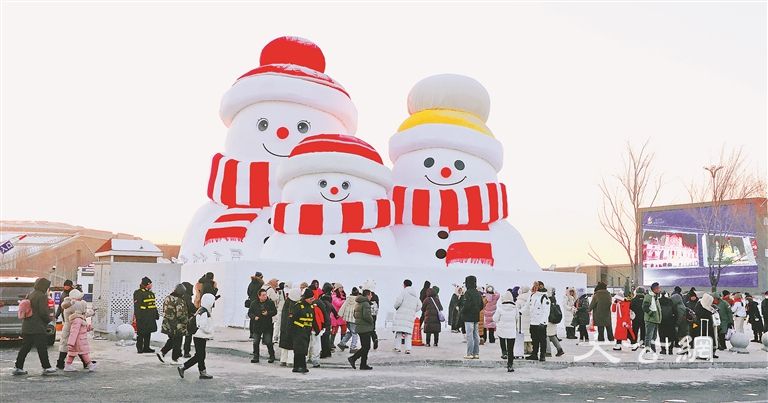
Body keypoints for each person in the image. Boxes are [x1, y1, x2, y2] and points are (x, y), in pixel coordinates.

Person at [13, 278, 56, 376]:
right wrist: (48, 320)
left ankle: (18, 367)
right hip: (37, 327)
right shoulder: (42, 296)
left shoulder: (30, 294)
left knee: (25, 347)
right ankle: (46, 367)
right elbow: (43, 312)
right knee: (42, 348)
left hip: (27, 326)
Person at [178, 293, 215, 379]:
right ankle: (184, 367)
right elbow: (202, 325)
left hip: (199, 336)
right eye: (212, 301)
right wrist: (210, 332)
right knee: (200, 355)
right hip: (200, 336)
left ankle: (202, 372)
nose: (213, 304)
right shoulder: (204, 312)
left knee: (200, 355)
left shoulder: (201, 310)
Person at [56, 288, 92, 369]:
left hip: (70, 327)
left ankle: (61, 362)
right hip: (71, 327)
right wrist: (89, 312)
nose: (81, 299)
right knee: (76, 345)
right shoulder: (74, 305)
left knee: (71, 346)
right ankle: (85, 363)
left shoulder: (70, 304)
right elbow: (82, 314)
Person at [157, 284, 189, 365]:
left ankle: (162, 352)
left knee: (172, 340)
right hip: (177, 325)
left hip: (167, 323)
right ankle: (175, 359)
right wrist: (186, 320)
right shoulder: (179, 300)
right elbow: (180, 314)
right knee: (178, 341)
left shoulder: (168, 297)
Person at [63, 300, 97, 372]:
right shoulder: (78, 320)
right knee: (84, 353)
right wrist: (70, 343)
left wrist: (89, 328)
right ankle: (90, 364)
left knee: (72, 353)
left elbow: (82, 329)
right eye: (85, 307)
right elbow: (74, 332)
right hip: (79, 341)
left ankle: (68, 365)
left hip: (77, 341)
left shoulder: (79, 318)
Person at [248, 289, 277, 363]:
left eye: (265, 295)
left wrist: (268, 313)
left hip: (267, 325)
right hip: (257, 325)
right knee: (256, 342)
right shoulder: (254, 303)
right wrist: (254, 317)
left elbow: (274, 312)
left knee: (268, 341)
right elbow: (250, 313)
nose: (265, 296)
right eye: (263, 295)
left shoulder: (270, 303)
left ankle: (272, 356)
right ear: (259, 296)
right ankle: (256, 356)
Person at [348, 289, 374, 370]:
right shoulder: (366, 304)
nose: (371, 296)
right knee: (366, 347)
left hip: (360, 327)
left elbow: (355, 315)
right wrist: (371, 320)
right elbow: (366, 316)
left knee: (365, 347)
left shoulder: (359, 303)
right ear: (367, 295)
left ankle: (363, 364)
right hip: (365, 327)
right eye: (370, 295)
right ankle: (353, 358)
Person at [290, 289, 315, 374]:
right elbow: (292, 319)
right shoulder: (298, 306)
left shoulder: (311, 307)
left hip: (307, 331)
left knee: (303, 348)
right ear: (306, 298)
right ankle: (301, 366)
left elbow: (312, 319)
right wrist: (290, 331)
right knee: (300, 348)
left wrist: (317, 328)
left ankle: (297, 366)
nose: (312, 300)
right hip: (298, 330)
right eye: (311, 299)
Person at [392, 279, 421, 354]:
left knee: (399, 332)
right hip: (409, 316)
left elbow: (398, 302)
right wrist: (413, 310)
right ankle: (408, 349)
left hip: (401, 315)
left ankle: (397, 348)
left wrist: (396, 307)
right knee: (408, 333)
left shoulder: (403, 292)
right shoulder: (415, 294)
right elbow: (420, 305)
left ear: (404, 285)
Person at [493, 290, 518, 371]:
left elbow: (495, 319)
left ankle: (504, 352)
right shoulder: (515, 309)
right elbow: (517, 318)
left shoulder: (500, 308)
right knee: (511, 349)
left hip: (502, 329)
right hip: (511, 331)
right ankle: (510, 365)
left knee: (502, 339)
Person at [134, 277, 159, 354]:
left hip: (150, 317)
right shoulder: (138, 293)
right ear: (147, 284)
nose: (151, 285)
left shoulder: (151, 293)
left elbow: (153, 305)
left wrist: (156, 314)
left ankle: (146, 347)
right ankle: (139, 347)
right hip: (143, 316)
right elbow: (137, 306)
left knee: (148, 332)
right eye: (150, 283)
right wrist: (138, 317)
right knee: (141, 333)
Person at [526, 281, 550, 362]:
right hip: (533, 322)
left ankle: (542, 355)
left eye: (536, 285)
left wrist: (543, 322)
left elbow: (546, 311)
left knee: (542, 340)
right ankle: (534, 354)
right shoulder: (533, 296)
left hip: (541, 323)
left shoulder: (544, 297)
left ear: (541, 286)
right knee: (534, 339)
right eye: (534, 285)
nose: (534, 287)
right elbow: (528, 306)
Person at [460, 276, 483, 359]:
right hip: (476, 316)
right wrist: (476, 310)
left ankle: (469, 353)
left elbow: (466, 305)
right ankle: (476, 353)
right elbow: (481, 305)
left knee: (469, 335)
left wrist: (462, 311)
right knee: (476, 335)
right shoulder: (477, 293)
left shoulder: (468, 293)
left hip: (468, 317)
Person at [691, 293, 718, 359]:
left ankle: (711, 352)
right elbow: (701, 314)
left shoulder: (706, 305)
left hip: (708, 325)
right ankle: (702, 353)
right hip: (702, 326)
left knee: (711, 338)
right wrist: (711, 312)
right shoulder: (700, 305)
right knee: (703, 338)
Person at [279, 287, 301, 367]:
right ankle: (290, 361)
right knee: (291, 345)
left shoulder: (287, 303)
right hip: (291, 328)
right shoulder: (294, 304)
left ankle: (283, 360)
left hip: (284, 327)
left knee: (284, 345)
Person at [337, 287, 360, 352]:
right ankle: (353, 347)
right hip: (354, 319)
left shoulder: (348, 298)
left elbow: (343, 307)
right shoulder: (358, 300)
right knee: (355, 333)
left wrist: (340, 314)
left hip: (347, 319)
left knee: (350, 332)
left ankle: (342, 343)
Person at [642, 282, 662, 353]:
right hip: (650, 320)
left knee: (654, 337)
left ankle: (653, 350)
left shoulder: (656, 296)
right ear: (655, 289)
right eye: (658, 288)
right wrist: (651, 313)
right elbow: (644, 307)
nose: (660, 289)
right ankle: (647, 350)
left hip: (655, 320)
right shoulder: (649, 296)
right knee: (649, 336)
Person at [545, 288, 564, 357]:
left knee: (546, 335)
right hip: (554, 320)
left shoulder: (547, 299)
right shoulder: (553, 298)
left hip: (548, 320)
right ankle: (560, 349)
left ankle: (548, 351)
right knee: (552, 335)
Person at [319, 283, 336, 358]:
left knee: (324, 337)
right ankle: (328, 351)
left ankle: (324, 352)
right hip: (328, 319)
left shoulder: (323, 299)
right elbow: (332, 309)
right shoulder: (329, 299)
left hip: (324, 320)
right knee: (326, 336)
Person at [181, 282, 196, 358]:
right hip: (186, 318)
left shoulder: (180, 295)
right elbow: (190, 306)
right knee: (188, 336)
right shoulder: (187, 296)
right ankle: (186, 352)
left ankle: (178, 351)